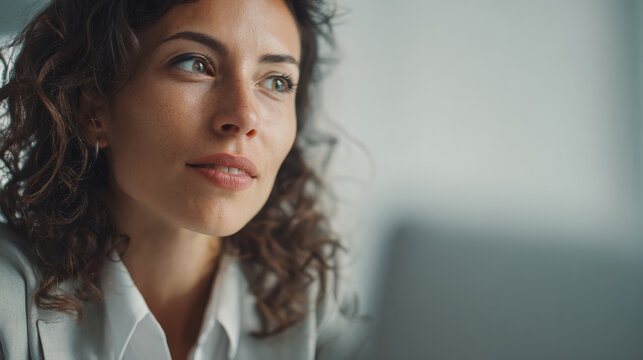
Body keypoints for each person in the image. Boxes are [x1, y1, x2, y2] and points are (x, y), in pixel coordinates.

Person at [0, 0, 366, 359]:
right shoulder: (8, 302)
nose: (244, 116)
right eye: (196, 64)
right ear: (92, 107)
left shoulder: (319, 306)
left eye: (277, 81)